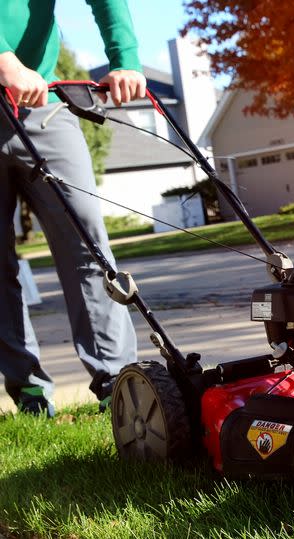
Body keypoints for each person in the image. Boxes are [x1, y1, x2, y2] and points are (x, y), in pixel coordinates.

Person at [0, 1, 145, 417]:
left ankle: (118, 386)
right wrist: (5, 62)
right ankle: (28, 390)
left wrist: (126, 59)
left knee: (88, 246)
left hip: (41, 104)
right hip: (13, 78)